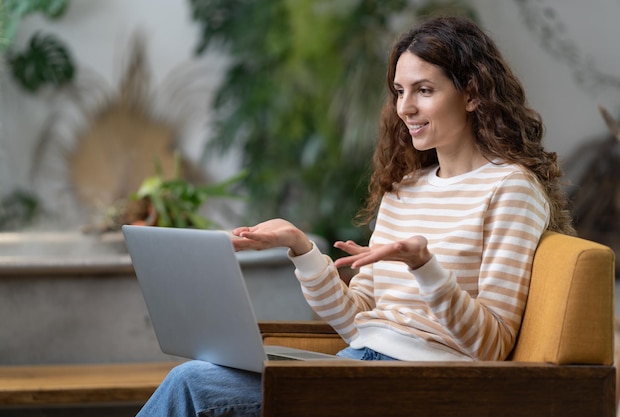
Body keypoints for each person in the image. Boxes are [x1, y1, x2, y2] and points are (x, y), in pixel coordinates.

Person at [136, 15, 574, 416]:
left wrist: (425, 267)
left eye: (425, 90)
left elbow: (492, 345)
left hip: (421, 385)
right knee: (197, 376)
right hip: (359, 365)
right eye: (400, 92)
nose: (405, 109)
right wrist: (301, 248)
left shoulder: (510, 189)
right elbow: (355, 321)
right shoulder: (405, 190)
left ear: (473, 93)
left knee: (192, 384)